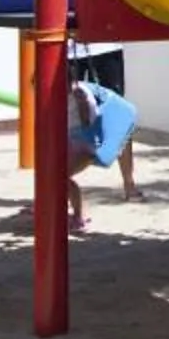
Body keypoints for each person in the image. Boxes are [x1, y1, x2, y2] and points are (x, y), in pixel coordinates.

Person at [64, 76, 141, 236]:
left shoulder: (80, 94)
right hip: (74, 141)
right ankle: (69, 213)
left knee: (61, 176)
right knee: (56, 177)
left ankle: (79, 217)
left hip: (85, 144)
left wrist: (82, 106)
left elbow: (90, 121)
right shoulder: (63, 96)